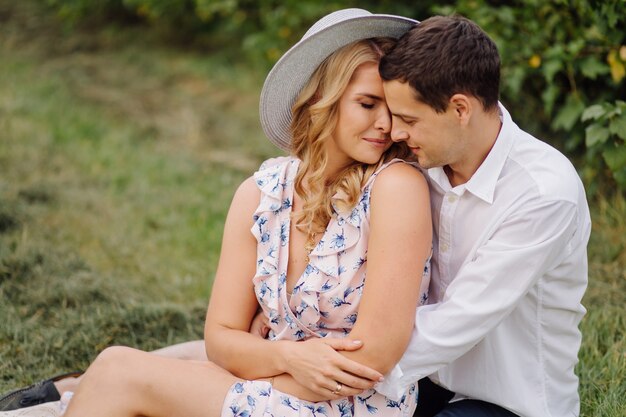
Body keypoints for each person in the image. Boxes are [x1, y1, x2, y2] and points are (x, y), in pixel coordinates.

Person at [1, 8, 432, 417]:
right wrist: (284, 356)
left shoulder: (395, 187)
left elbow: (373, 357)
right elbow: (221, 338)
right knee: (123, 382)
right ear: (323, 98)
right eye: (367, 104)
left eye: (392, 110)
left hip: (349, 405)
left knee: (117, 370)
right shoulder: (261, 194)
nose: (385, 126)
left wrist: (253, 366)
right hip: (274, 382)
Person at [369, 15, 591, 417]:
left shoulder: (543, 193)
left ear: (459, 109)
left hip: (509, 401)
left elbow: (458, 320)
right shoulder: (416, 163)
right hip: (421, 380)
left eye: (409, 119)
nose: (394, 132)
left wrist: (345, 367)